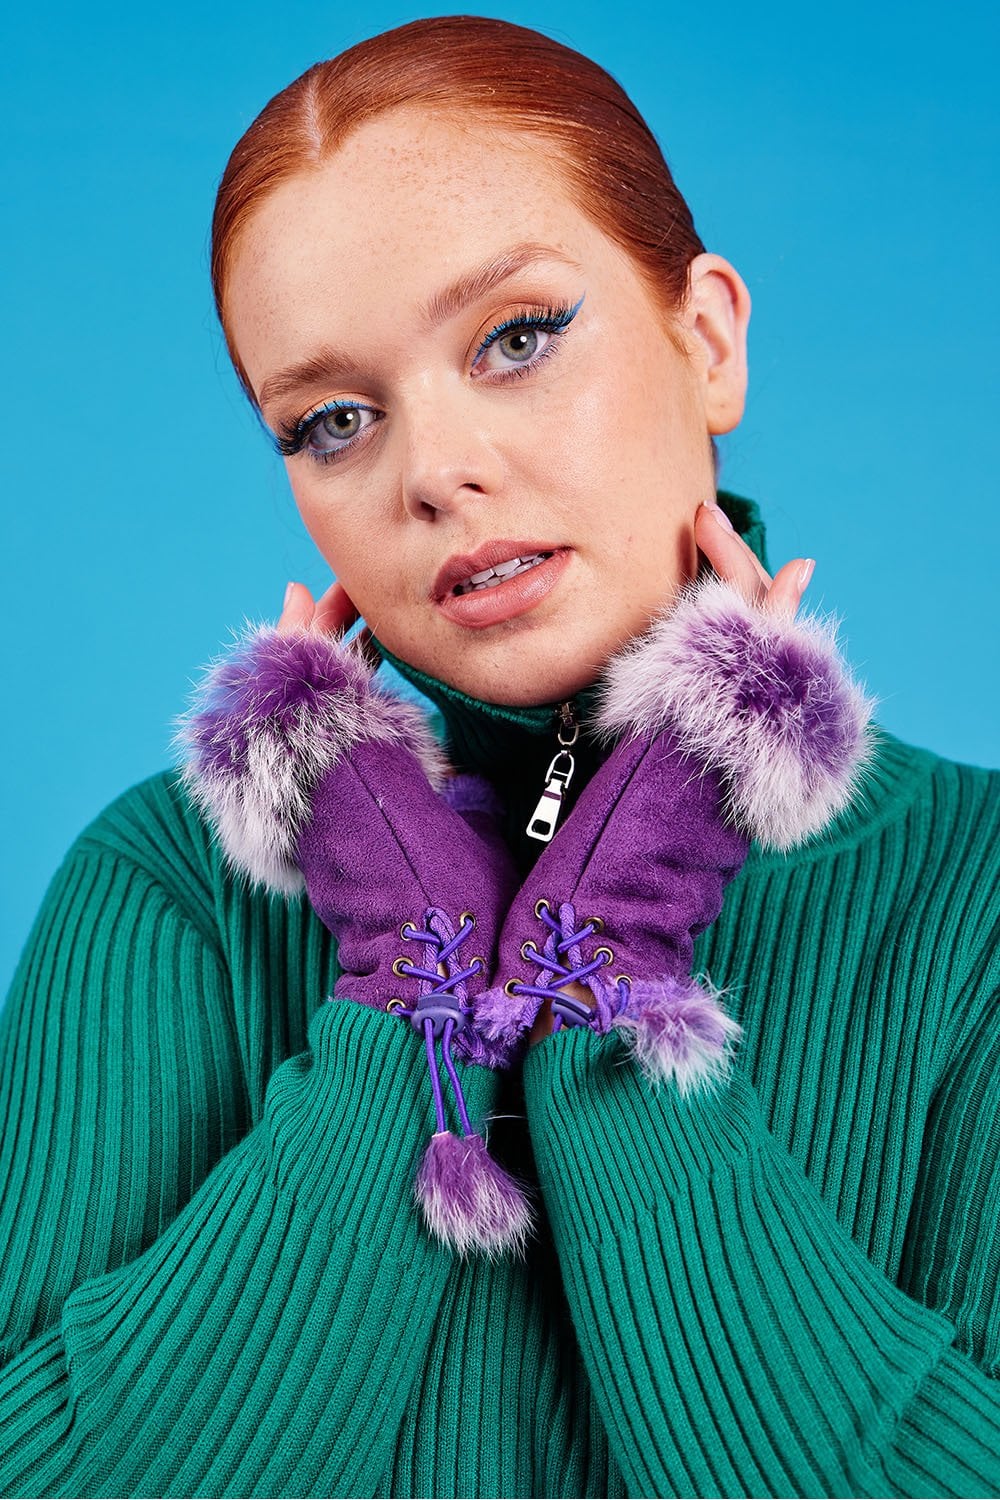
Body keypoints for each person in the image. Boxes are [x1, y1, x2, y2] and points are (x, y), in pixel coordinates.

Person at [1, 14, 997, 1499]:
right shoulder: (164, 889)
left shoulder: (977, 896)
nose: (436, 472)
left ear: (708, 342)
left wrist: (616, 969)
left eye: (518, 338)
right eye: (334, 420)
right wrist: (407, 987)